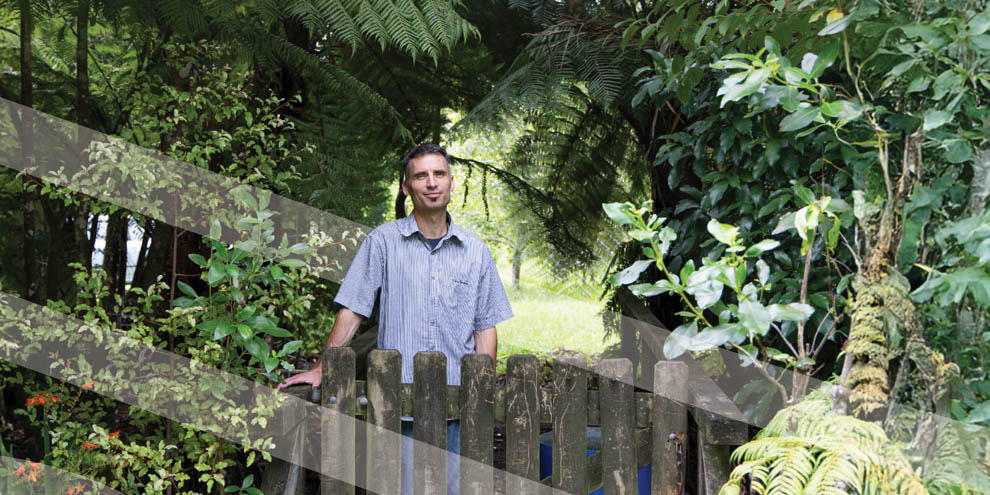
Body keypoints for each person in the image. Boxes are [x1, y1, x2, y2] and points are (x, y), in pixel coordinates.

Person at [278, 143, 513, 495]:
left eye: (439, 174)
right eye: (421, 176)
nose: (431, 183)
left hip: (457, 407)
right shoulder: (383, 242)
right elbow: (353, 309)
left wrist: (481, 390)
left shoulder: (476, 251)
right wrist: (322, 368)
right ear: (407, 187)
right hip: (398, 405)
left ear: (451, 183)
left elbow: (485, 326)